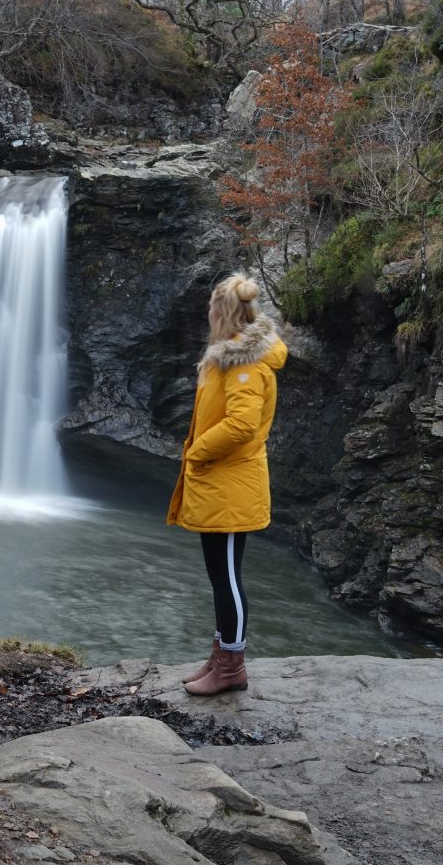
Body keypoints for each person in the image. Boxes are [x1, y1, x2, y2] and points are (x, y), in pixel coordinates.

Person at [166, 272, 287, 697]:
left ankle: (231, 666)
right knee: (221, 576)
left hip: (232, 485)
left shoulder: (245, 365)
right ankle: (221, 656)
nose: (207, 312)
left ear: (225, 312)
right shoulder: (229, 357)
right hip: (221, 486)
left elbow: (241, 426)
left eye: (212, 306)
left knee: (229, 579)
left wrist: (196, 453)